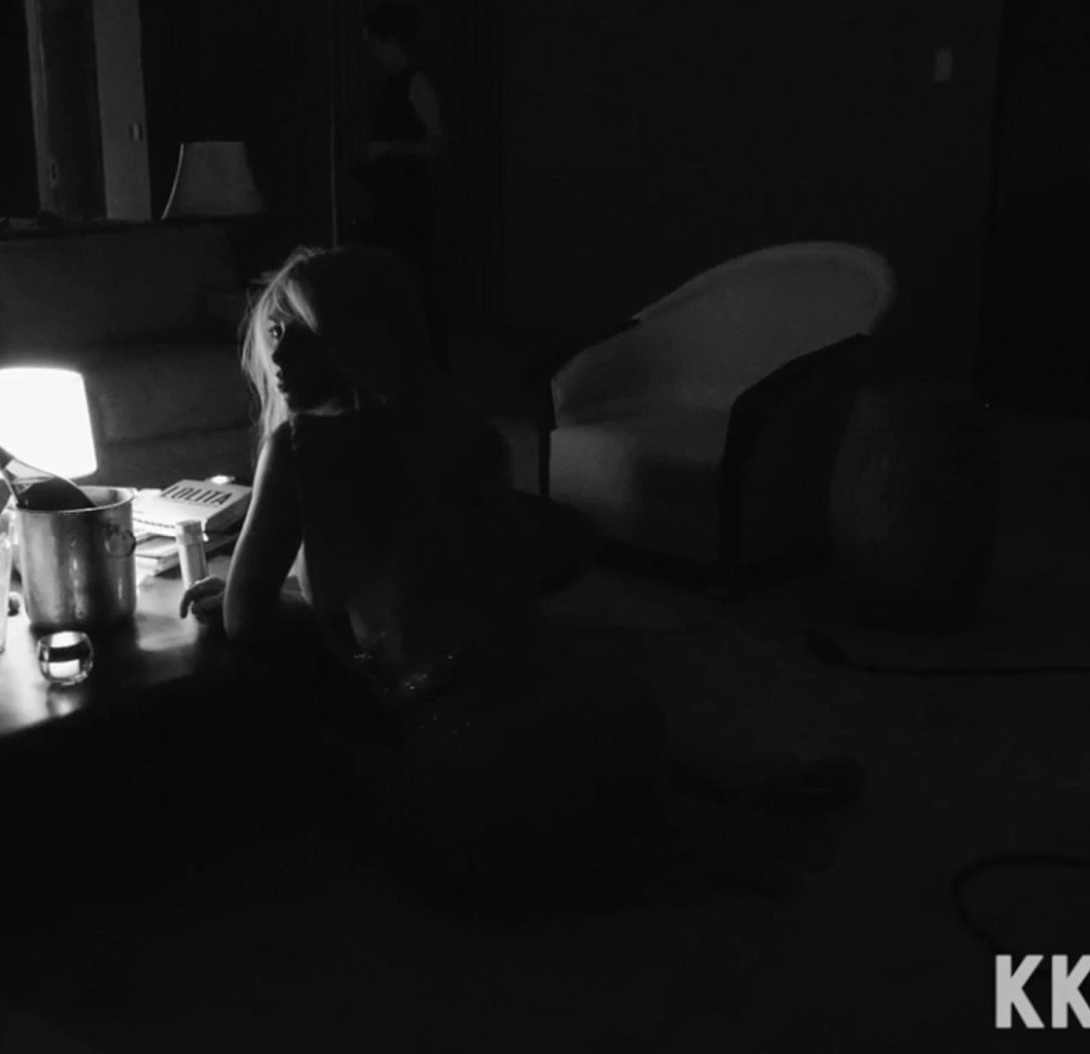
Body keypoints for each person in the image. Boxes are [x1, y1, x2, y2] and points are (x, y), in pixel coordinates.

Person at [182, 246, 863, 907]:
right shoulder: (458, 425)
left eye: (303, 333)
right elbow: (475, 562)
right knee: (582, 766)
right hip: (581, 705)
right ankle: (720, 799)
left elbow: (248, 621)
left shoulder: (299, 446)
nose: (278, 354)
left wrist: (261, 590)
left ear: (357, 339)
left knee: (317, 763)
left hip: (460, 765)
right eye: (276, 331)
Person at [353, 1, 449, 367]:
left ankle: (431, 362)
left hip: (410, 199)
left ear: (389, 39)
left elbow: (438, 144)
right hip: (388, 198)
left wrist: (388, 149)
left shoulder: (415, 83)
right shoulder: (389, 85)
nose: (368, 50)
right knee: (388, 277)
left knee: (415, 277)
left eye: (372, 40)